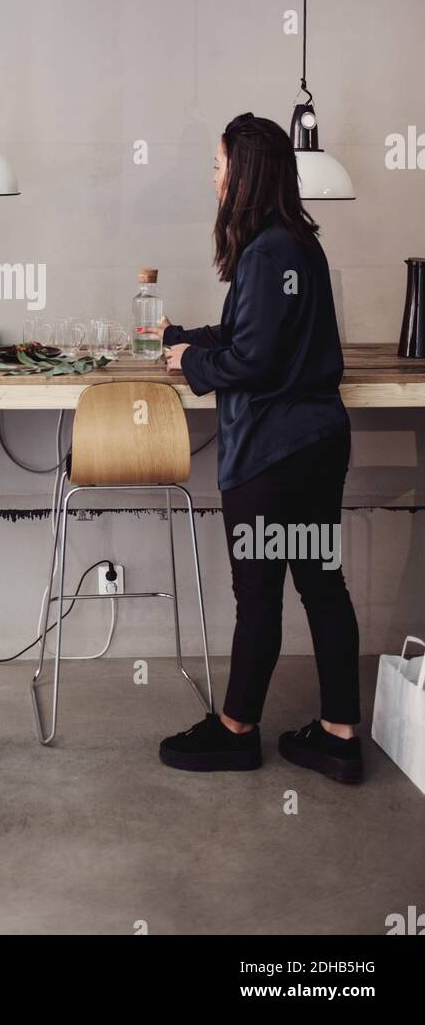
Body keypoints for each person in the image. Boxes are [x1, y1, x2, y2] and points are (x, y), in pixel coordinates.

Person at [158, 113, 363, 783]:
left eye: (218, 164)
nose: (213, 176)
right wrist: (187, 339)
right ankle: (337, 736)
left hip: (273, 457)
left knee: (260, 596)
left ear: (242, 173)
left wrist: (191, 364)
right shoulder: (294, 243)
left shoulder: (266, 252)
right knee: (321, 587)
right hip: (316, 446)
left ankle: (236, 731)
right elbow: (254, 334)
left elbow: (253, 362)